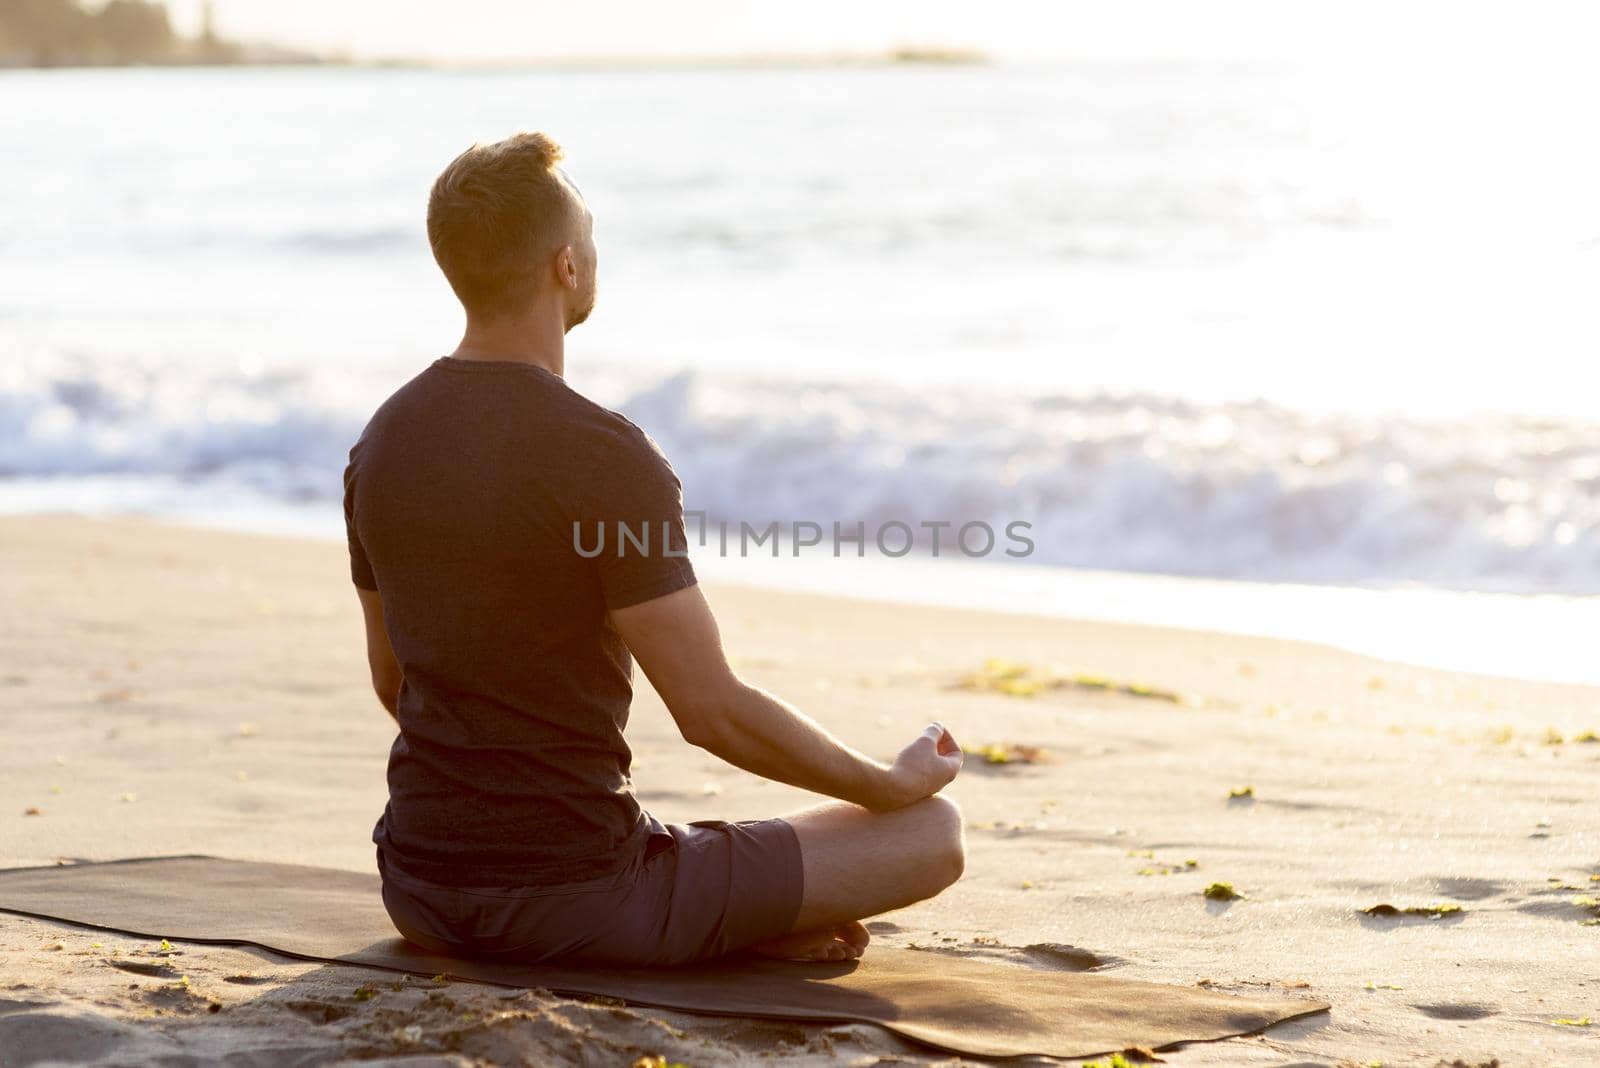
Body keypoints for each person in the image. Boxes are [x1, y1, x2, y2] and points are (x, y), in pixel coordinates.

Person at [343, 132, 965, 967]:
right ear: (567, 265)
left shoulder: (380, 446)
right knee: (931, 834)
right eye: (590, 234)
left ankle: (727, 916)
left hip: (418, 889)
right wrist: (885, 784)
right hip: (581, 896)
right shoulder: (605, 456)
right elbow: (709, 712)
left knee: (686, 847)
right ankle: (728, 923)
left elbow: (396, 683)